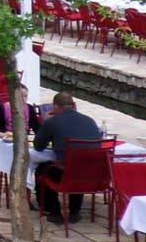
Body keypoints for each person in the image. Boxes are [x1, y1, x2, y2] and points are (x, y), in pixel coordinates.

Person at [34, 92, 102, 222]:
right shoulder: (89, 120)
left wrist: (45, 123)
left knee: (43, 169)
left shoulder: (52, 121)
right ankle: (74, 212)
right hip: (92, 173)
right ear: (73, 105)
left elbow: (38, 146)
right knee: (78, 163)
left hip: (67, 172)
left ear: (55, 106)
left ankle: (53, 211)